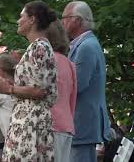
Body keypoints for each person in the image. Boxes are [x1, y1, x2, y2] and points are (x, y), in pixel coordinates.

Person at [0, 1, 58, 161]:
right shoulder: (38, 47)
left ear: (32, 20)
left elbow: (40, 91)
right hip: (29, 120)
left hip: (30, 123)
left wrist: (9, 89)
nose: (18, 21)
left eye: (21, 17)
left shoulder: (39, 47)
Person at [62, 1, 111, 162]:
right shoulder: (84, 44)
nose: (62, 22)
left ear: (77, 20)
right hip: (81, 123)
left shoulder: (86, 47)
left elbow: (78, 85)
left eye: (65, 18)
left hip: (82, 123)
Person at [46, 20, 77, 162]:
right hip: (66, 124)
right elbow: (73, 98)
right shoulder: (69, 63)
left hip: (51, 124)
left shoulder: (48, 60)